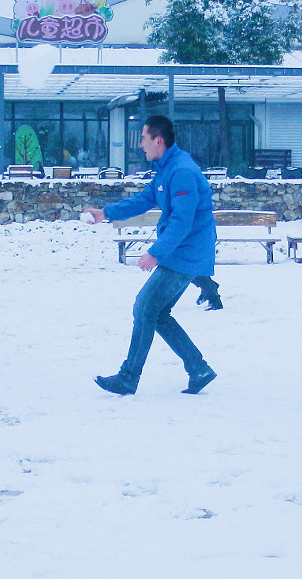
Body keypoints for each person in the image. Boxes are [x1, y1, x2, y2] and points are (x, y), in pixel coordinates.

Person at [82, 116, 218, 396]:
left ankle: (128, 378)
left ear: (159, 140)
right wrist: (105, 213)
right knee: (156, 312)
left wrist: (155, 254)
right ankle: (198, 369)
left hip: (186, 252)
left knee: (145, 307)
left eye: (143, 138)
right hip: (180, 250)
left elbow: (182, 221)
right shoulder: (167, 169)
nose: (140, 144)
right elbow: (144, 200)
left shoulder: (182, 172)